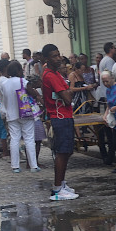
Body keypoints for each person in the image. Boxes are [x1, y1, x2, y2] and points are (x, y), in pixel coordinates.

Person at [40, 43, 79, 200]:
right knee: (62, 153)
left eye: (58, 55)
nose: (58, 58)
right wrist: (68, 91)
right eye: (54, 56)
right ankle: (57, 189)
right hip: (60, 117)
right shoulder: (50, 75)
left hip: (63, 116)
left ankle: (61, 184)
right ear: (46, 59)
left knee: (66, 151)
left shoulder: (54, 74)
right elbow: (68, 99)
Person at [0, 62, 39, 173]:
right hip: (25, 114)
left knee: (14, 139)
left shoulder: (4, 83)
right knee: (29, 139)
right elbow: (33, 93)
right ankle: (33, 165)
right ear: (18, 71)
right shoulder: (23, 81)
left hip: (11, 115)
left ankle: (15, 166)